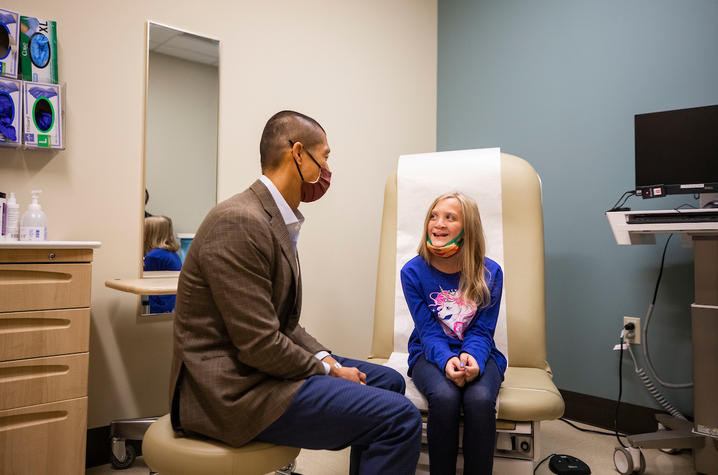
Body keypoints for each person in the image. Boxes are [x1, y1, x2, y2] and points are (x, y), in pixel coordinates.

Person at [169, 110, 421, 474]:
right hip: (232, 392)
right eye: (326, 157)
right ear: (298, 153)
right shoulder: (239, 221)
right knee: (401, 419)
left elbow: (283, 325)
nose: (327, 170)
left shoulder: (271, 218)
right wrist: (329, 371)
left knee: (390, 381)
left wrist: (325, 358)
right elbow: (259, 344)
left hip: (257, 370)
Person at [400, 191, 506, 475]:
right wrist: (447, 361)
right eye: (434, 216)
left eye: (450, 217)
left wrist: (471, 356)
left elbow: (483, 329)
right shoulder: (412, 272)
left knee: (480, 401)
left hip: (481, 352)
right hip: (429, 352)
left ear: (467, 227)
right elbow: (428, 331)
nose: (438, 223)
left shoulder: (491, 272)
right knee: (445, 399)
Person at [143, 215, 182, 313]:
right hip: (172, 304)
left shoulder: (154, 256)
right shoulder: (171, 254)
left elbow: (145, 282)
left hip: (160, 305)